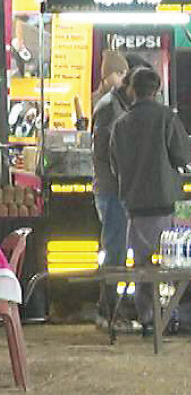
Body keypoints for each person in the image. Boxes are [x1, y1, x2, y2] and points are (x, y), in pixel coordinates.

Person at [110, 67, 191, 334]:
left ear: (132, 90)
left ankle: (147, 318)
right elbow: (182, 156)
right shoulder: (167, 117)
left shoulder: (120, 124)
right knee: (170, 264)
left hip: (134, 205)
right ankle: (169, 316)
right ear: (156, 90)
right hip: (164, 203)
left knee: (143, 265)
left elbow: (114, 165)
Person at [91, 64, 138, 325]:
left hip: (114, 187)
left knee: (116, 248)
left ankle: (113, 307)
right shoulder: (110, 108)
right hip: (112, 189)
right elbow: (110, 153)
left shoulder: (116, 104)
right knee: (115, 249)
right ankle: (107, 311)